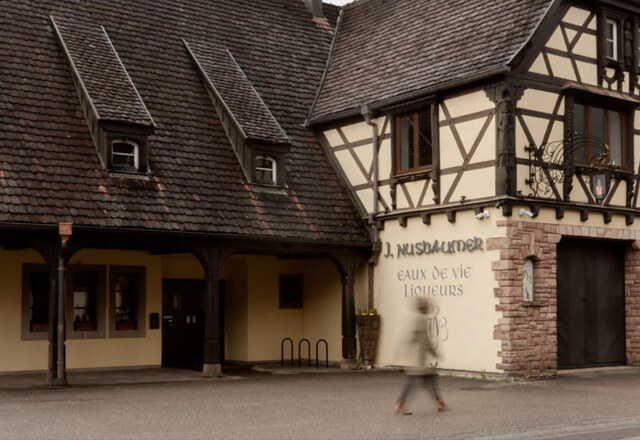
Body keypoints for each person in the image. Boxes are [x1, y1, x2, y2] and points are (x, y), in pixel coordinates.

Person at [394, 297, 449, 415]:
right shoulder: (422, 319)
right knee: (419, 381)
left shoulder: (414, 318)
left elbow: (410, 337)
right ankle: (401, 404)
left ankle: (439, 402)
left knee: (427, 379)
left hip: (415, 357)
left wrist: (402, 351)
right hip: (419, 358)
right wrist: (435, 353)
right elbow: (425, 340)